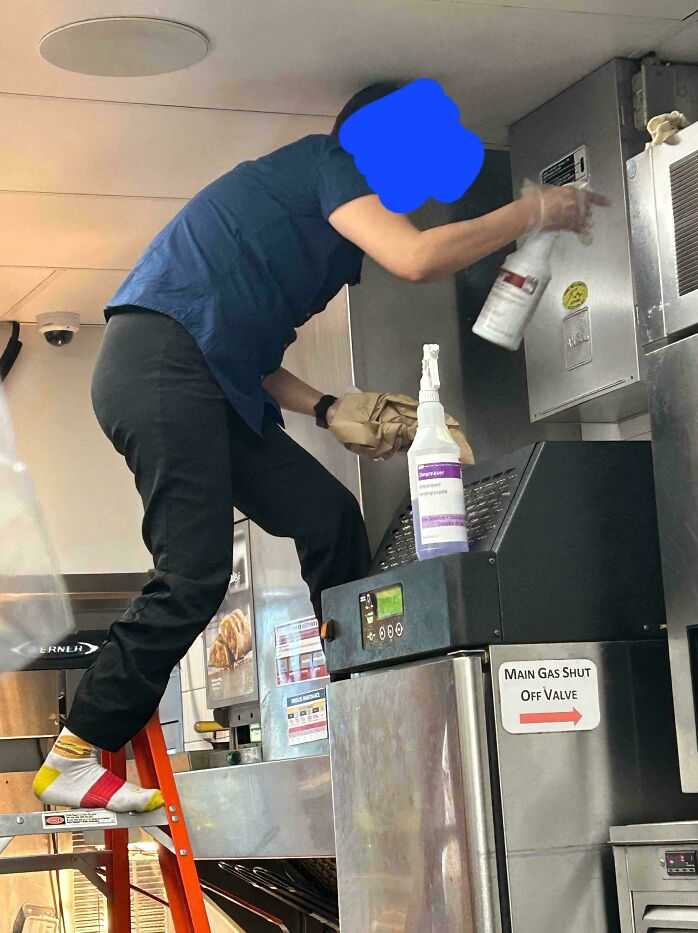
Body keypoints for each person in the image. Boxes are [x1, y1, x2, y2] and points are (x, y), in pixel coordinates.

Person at [33, 82, 606, 812]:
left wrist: (332, 408)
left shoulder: (316, 237)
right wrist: (535, 211)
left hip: (207, 377)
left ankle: (362, 697)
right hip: (160, 366)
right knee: (195, 572)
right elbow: (417, 257)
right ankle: (75, 752)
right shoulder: (327, 163)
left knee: (327, 514)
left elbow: (254, 362)